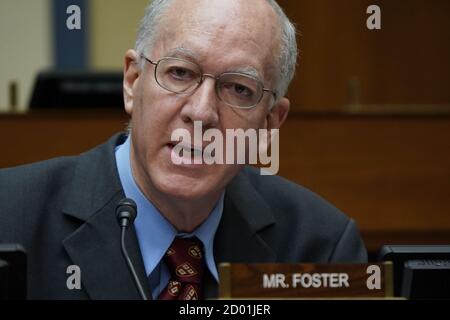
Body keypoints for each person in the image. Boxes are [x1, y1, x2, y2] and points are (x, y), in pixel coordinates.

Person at [0, 0, 367, 300]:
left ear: (270, 123)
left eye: (239, 89)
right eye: (180, 73)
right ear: (132, 82)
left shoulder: (318, 246)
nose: (202, 112)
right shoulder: (9, 216)